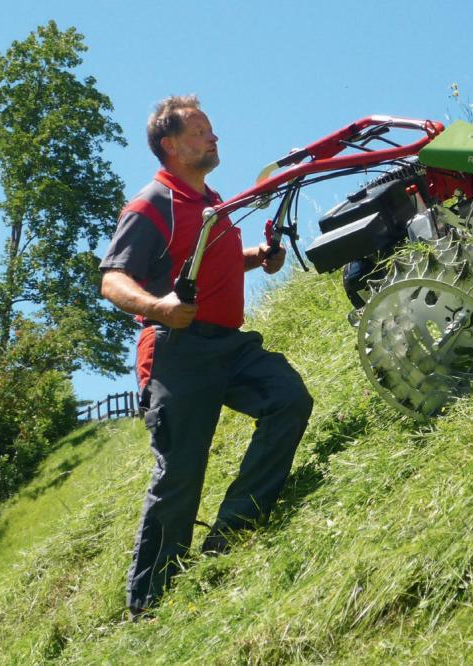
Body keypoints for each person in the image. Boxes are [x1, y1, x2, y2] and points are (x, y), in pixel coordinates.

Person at [99, 95, 313, 616]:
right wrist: (158, 307)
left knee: (288, 399)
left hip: (228, 345)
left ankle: (235, 525)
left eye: (212, 130)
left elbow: (202, 265)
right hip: (177, 353)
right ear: (170, 146)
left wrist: (255, 258)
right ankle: (148, 604)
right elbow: (111, 280)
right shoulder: (153, 203)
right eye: (200, 132)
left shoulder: (209, 202)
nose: (213, 138)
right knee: (180, 475)